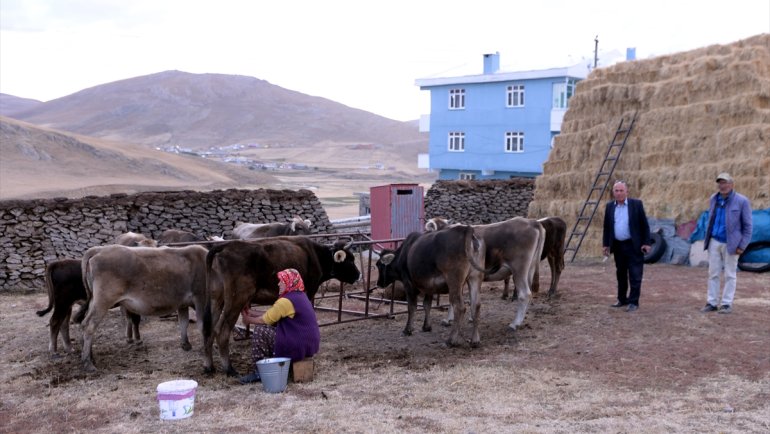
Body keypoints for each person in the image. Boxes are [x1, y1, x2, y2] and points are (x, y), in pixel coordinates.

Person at [238, 268, 320, 384]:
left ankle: (259, 372)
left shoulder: (286, 301)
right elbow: (273, 314)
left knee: (261, 331)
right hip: (306, 343)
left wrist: (248, 320)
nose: (279, 284)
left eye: (282, 281)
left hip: (298, 344)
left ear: (288, 282)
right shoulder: (299, 296)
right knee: (267, 329)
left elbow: (265, 319)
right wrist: (251, 312)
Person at [700, 173, 752, 314]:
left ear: (732, 184)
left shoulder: (742, 201)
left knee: (730, 274)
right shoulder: (714, 198)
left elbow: (748, 226)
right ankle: (711, 302)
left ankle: (726, 304)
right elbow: (711, 219)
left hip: (732, 244)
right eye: (720, 183)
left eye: (725, 182)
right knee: (713, 273)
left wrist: (742, 245)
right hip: (714, 241)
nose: (722, 186)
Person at [602, 180, 652, 312]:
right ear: (613, 192)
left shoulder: (636, 204)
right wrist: (606, 244)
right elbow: (607, 227)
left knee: (635, 274)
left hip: (634, 245)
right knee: (621, 274)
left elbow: (644, 225)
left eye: (621, 190)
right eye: (616, 191)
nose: (618, 193)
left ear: (626, 192)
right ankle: (621, 299)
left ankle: (634, 302)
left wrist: (646, 243)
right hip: (618, 246)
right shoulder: (609, 206)